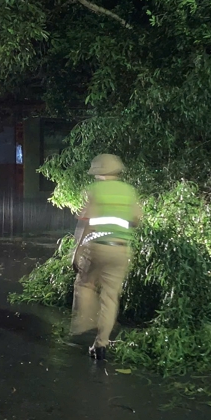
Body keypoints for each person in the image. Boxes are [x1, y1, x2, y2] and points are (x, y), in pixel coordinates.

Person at [70, 154, 142, 360]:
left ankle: (86, 321)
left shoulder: (96, 190)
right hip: (121, 250)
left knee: (84, 284)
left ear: (99, 172)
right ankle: (101, 345)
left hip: (98, 247)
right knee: (110, 298)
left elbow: (86, 223)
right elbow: (136, 220)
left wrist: (77, 251)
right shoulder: (129, 191)